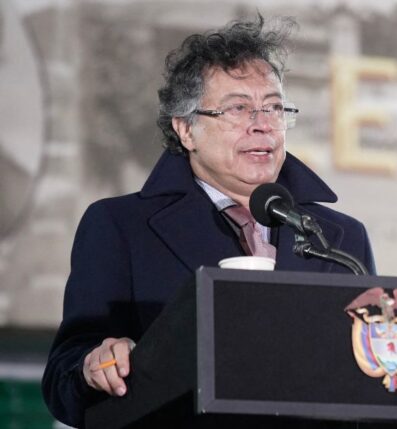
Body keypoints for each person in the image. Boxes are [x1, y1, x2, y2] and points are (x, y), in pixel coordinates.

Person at [41, 16, 375, 428]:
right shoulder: (121, 227)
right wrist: (95, 367)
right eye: (238, 108)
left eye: (273, 107)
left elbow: (367, 378)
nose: (262, 123)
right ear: (185, 130)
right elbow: (63, 380)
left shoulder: (341, 239)